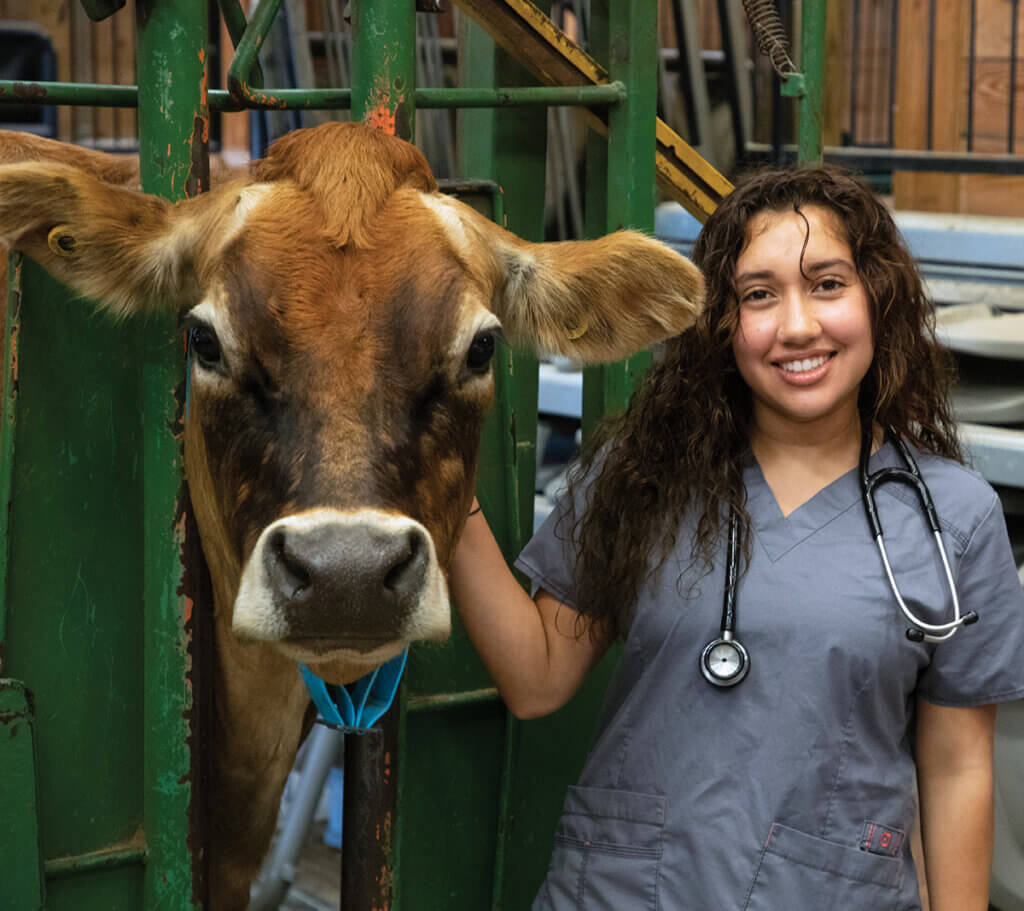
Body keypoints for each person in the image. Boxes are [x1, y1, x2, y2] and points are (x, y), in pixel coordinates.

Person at [451, 166, 1024, 910]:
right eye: (759, 294)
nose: (796, 325)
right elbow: (537, 679)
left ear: (877, 299)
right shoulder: (645, 476)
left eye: (827, 284)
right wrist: (448, 503)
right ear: (722, 322)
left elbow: (956, 769)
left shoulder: (955, 515)